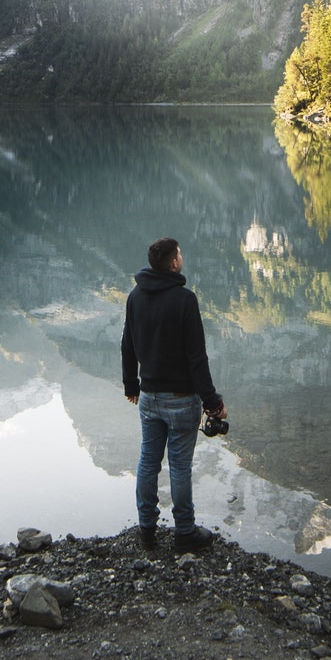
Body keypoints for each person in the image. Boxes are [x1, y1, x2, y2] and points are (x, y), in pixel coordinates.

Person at [121, 236, 227, 551]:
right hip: (182, 400)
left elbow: (127, 343)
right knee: (180, 465)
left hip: (149, 396)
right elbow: (197, 358)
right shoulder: (185, 300)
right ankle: (184, 532)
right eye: (179, 254)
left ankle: (146, 530)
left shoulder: (135, 296)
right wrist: (212, 401)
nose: (182, 258)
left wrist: (131, 384)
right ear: (173, 263)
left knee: (148, 461)